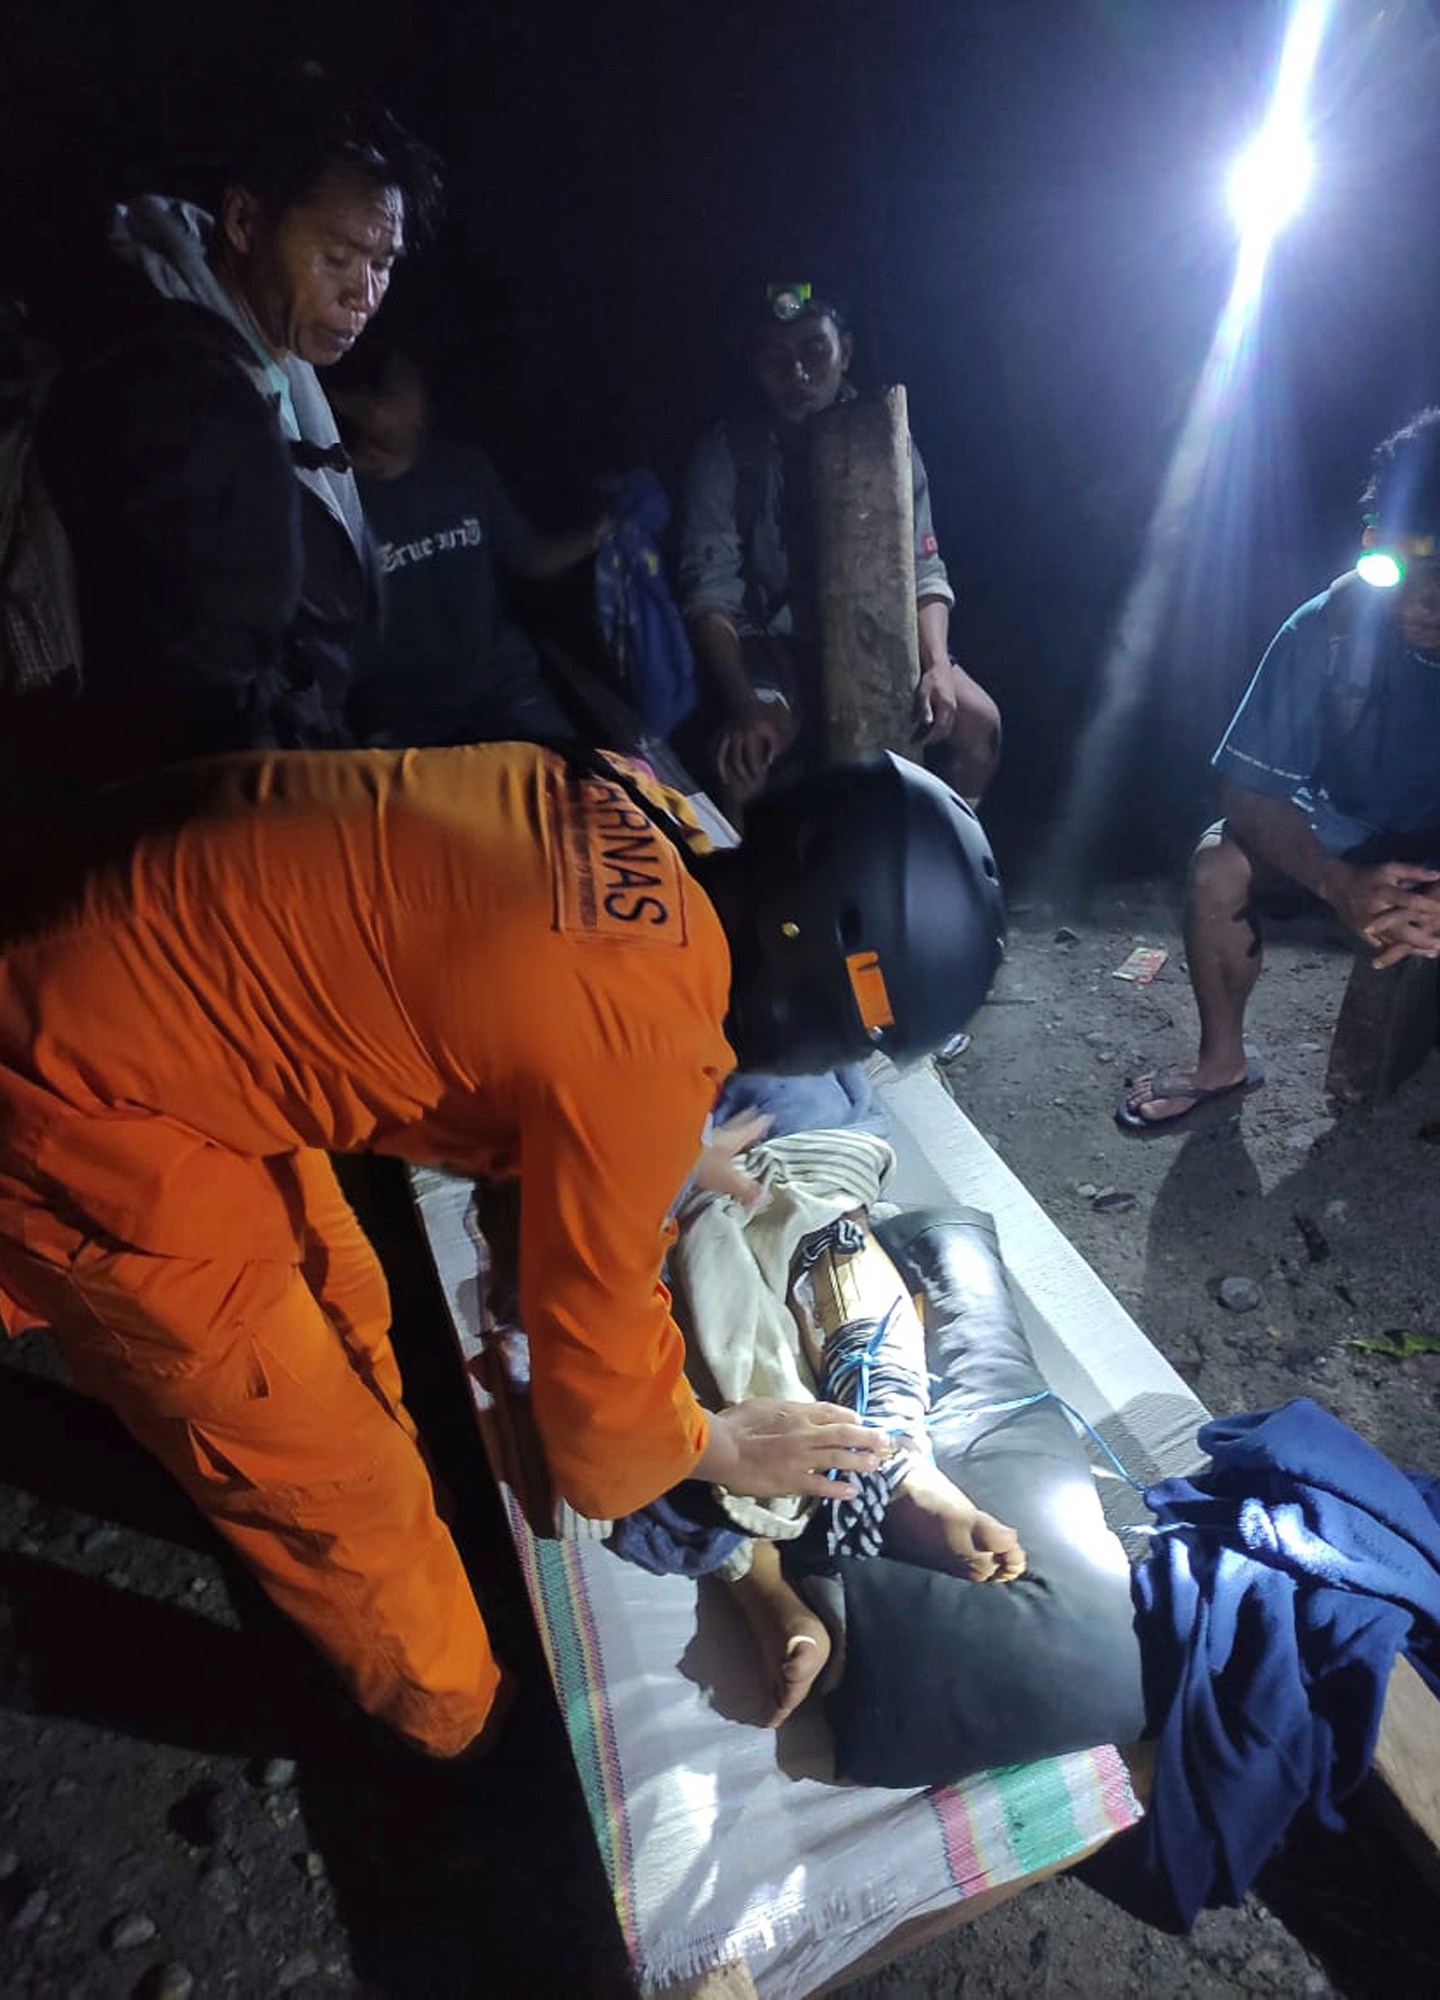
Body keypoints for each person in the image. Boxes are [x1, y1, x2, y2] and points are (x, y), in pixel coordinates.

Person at [0, 737, 1005, 1758]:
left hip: (106, 930)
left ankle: (407, 1457)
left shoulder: (627, 798)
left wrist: (657, 1149)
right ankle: (469, 1728)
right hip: (73, 1082)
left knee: (345, 1285)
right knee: (324, 1474)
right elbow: (602, 1428)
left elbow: (541, 1013)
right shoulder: (642, 1054)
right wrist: (714, 1441)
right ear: (832, 1004)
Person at [31, 66, 441, 787]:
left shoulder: (271, 351)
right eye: (338, 258)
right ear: (246, 223)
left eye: (384, 263)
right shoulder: (186, 402)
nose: (365, 295)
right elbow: (206, 699)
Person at [1119, 408, 1440, 1131]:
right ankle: (1221, 1066)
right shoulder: (1329, 627)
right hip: (1351, 836)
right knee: (1217, 867)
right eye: (1403, 563)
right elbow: (1245, 788)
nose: (1422, 596)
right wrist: (1340, 883)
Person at [678, 282, 1001, 811]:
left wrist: (937, 663)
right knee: (742, 761)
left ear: (844, 351)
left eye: (814, 349)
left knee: (979, 724)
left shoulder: (888, 436)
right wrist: (743, 703)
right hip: (776, 642)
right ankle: (740, 889)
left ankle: (959, 865)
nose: (798, 375)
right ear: (756, 365)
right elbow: (709, 595)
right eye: (776, 358)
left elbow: (925, 568)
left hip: (880, 627)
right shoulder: (726, 454)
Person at [326, 337, 612, 747]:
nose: (420, 405)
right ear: (349, 403)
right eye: (400, 394)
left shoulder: (462, 468)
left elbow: (529, 558)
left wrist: (602, 530)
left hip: (503, 693)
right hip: (401, 721)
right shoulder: (336, 501)